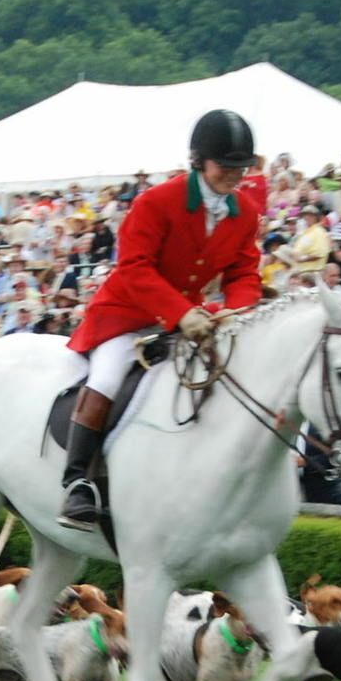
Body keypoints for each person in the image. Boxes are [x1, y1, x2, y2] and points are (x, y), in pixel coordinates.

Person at [58, 109, 265, 529]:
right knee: (108, 377)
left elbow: (244, 273)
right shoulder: (156, 202)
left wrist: (234, 307)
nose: (234, 174)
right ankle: (77, 482)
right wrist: (181, 312)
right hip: (125, 316)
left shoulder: (244, 210)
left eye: (240, 166)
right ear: (200, 161)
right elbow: (134, 268)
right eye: (225, 165)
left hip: (185, 320)